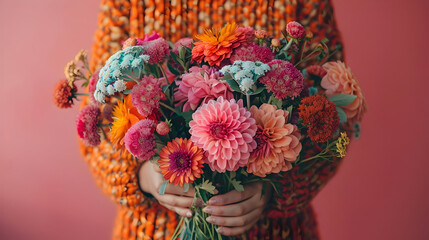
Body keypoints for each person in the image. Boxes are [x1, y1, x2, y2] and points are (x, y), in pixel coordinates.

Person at [80, 0, 347, 239]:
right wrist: (142, 177)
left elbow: (332, 116)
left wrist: (275, 191)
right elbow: (96, 121)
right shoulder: (124, 4)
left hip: (275, 231)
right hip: (153, 229)